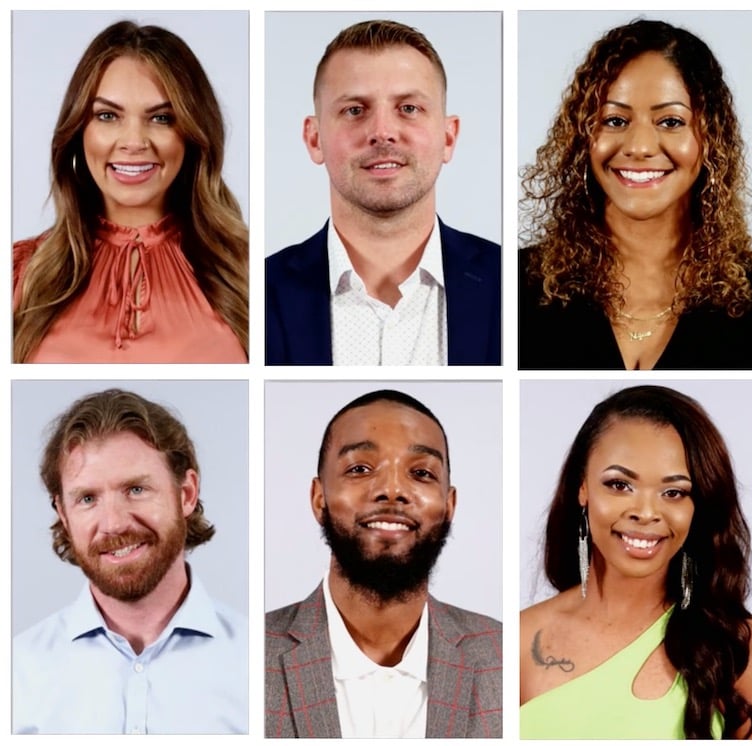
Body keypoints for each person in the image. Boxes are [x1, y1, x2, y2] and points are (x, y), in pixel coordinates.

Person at [520, 386, 752, 738]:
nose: (646, 513)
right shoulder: (518, 641)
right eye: (619, 485)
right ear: (583, 487)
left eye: (673, 492)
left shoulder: (737, 644)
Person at [519, 20, 752, 371]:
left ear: (710, 140)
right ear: (583, 136)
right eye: (615, 120)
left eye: (670, 122)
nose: (639, 147)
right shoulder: (515, 285)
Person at [265, 389, 501, 738]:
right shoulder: (251, 657)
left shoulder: (503, 657)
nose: (392, 490)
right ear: (319, 499)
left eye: (421, 473)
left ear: (449, 505)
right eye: (360, 468)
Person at [12, 389, 248, 733]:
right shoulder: (16, 672)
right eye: (88, 498)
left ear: (186, 494)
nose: (114, 523)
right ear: (63, 513)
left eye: (135, 489)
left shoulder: (259, 662)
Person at [266, 20, 500, 366]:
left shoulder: (516, 284)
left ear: (448, 138)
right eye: (355, 110)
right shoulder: (257, 291)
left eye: (408, 108)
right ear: (314, 139)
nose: (382, 132)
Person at [12, 21, 248, 364]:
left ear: (193, 135)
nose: (134, 142)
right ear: (79, 130)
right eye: (108, 115)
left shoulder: (249, 274)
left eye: (162, 118)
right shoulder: (19, 275)